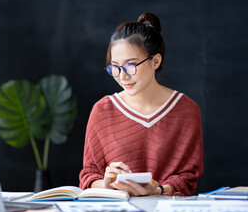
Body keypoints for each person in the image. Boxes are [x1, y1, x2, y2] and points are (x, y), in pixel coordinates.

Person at [79, 12, 203, 196]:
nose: (122, 76)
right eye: (115, 67)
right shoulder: (102, 110)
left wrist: (158, 190)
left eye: (131, 65)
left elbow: (187, 177)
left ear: (155, 61)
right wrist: (106, 183)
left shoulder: (186, 110)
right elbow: (89, 176)